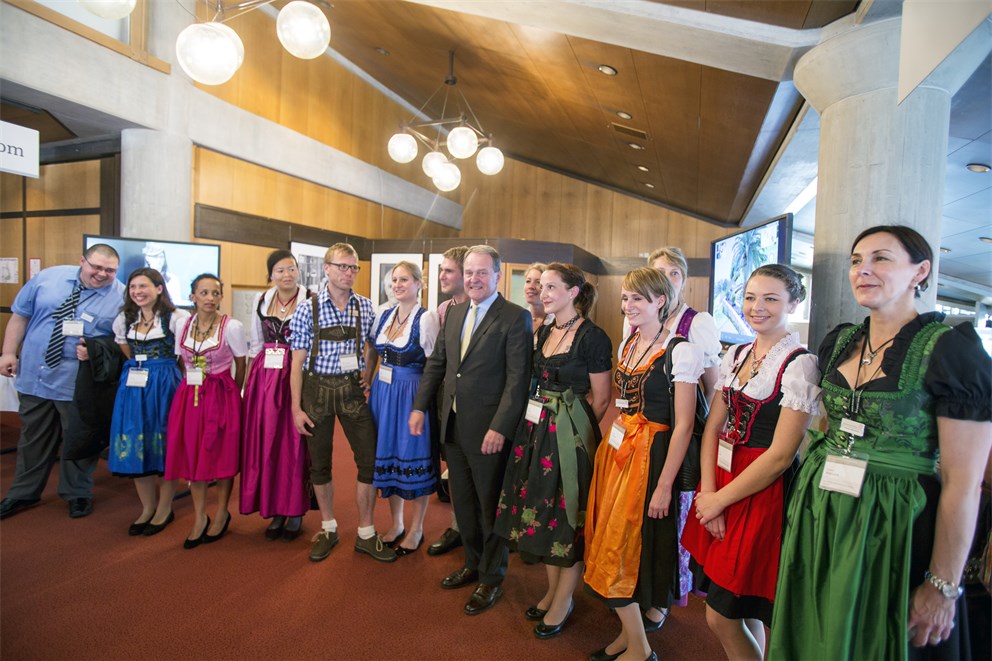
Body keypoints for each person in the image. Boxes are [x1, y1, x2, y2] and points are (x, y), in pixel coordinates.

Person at [769, 225, 992, 660]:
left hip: (895, 526)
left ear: (919, 272)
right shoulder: (841, 341)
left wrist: (943, 585)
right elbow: (829, 428)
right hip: (824, 517)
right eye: (856, 260)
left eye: (881, 258)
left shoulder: (951, 352)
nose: (863, 270)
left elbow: (964, 484)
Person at [680, 264, 820, 660]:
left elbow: (780, 456)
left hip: (763, 490)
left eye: (771, 298)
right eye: (750, 297)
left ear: (793, 303)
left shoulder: (800, 364)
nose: (757, 307)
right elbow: (712, 428)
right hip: (723, 479)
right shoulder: (738, 353)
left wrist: (721, 500)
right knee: (744, 604)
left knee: (726, 614)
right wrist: (709, 492)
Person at [584, 266, 703, 661]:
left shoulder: (680, 350)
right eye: (624, 298)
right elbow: (622, 404)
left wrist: (665, 485)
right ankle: (630, 637)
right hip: (621, 455)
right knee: (606, 543)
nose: (628, 305)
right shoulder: (628, 345)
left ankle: (640, 647)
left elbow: (684, 425)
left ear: (660, 301)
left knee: (626, 551)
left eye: (637, 298)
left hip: (652, 459)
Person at [410, 245, 532, 616]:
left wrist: (500, 427)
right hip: (453, 426)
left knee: (489, 506)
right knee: (463, 504)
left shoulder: (515, 317)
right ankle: (474, 564)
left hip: (488, 432)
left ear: (497, 275)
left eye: (482, 273)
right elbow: (438, 365)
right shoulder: (455, 312)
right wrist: (419, 407)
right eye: (469, 273)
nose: (474, 279)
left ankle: (492, 578)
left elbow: (517, 380)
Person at [494, 263, 612, 639]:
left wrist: (573, 434)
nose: (542, 293)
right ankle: (551, 590)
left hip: (568, 435)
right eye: (541, 287)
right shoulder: (545, 328)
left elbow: (602, 397)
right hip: (535, 430)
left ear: (574, 292)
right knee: (541, 511)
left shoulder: (593, 337)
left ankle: (564, 598)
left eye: (551, 287)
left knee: (566, 517)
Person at [624, 246, 723, 632]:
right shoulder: (639, 321)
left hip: (680, 429)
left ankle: (666, 594)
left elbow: (711, 390)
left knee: (670, 517)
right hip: (641, 431)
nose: (664, 279)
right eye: (656, 272)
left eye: (671, 274)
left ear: (680, 281)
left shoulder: (694, 324)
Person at [0, 244, 126, 520]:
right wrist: (9, 352)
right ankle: (22, 492)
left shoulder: (121, 296)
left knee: (78, 439)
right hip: (36, 375)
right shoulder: (48, 278)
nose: (102, 274)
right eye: (96, 266)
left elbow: (123, 342)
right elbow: (20, 315)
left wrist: (95, 347)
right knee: (32, 438)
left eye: (110, 270)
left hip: (77, 384)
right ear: (82, 261)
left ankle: (77, 493)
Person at [290, 242, 397, 563]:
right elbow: (296, 363)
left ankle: (366, 532)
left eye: (353, 268)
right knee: (319, 463)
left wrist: (368, 370)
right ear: (327, 268)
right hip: (316, 391)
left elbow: (374, 344)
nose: (348, 273)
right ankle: (328, 526)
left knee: (369, 459)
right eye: (342, 266)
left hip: (352, 391)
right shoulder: (307, 308)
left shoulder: (365, 306)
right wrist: (296, 408)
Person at [164, 274, 247, 549]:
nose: (210, 298)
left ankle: (222, 511)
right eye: (204, 293)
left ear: (221, 296)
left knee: (222, 457)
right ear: (193, 296)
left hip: (222, 395)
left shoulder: (231, 326)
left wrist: (231, 394)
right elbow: (181, 361)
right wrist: (193, 382)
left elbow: (241, 364)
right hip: (190, 396)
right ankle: (199, 516)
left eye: (215, 293)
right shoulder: (182, 325)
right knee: (193, 456)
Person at [105, 267, 189, 536]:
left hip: (165, 384)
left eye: (144, 286)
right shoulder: (124, 319)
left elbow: (183, 357)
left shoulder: (176, 317)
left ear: (159, 288)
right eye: (133, 288)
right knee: (135, 441)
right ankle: (147, 507)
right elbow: (127, 351)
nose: (138, 292)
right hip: (133, 385)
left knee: (164, 443)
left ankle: (165, 508)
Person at [365, 261, 440, 555]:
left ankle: (417, 527)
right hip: (383, 393)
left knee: (413, 455)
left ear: (419, 284)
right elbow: (372, 349)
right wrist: (367, 380)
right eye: (394, 280)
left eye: (404, 279)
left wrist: (421, 405)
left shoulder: (427, 318)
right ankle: (396, 523)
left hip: (411, 393)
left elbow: (434, 365)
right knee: (387, 457)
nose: (397, 285)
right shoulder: (384, 313)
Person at [239, 250, 311, 541]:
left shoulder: (311, 299)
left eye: (291, 269)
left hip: (297, 373)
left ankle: (294, 510)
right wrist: (247, 386)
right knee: (268, 442)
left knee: (293, 443)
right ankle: (274, 508)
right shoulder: (262, 299)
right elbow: (256, 344)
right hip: (266, 379)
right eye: (280, 270)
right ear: (271, 275)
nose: (286, 275)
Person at [428, 246, 469, 557]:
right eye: (441, 270)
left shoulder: (484, 309)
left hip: (477, 403)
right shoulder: (442, 311)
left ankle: (480, 527)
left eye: (449, 271)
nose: (442, 276)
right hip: (447, 398)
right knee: (452, 465)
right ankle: (458, 524)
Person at [523, 263, 548, 340]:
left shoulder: (556, 321)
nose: (531, 286)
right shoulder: (518, 318)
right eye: (528, 281)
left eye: (538, 282)